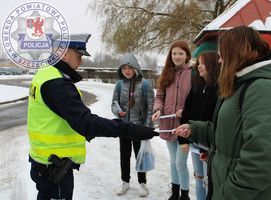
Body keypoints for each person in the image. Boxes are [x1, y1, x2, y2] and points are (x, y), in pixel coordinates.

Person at [175, 26, 271, 200]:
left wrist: (228, 194)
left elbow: (260, 159)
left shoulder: (264, 89)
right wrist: (196, 130)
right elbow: (232, 136)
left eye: (222, 55)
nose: (219, 61)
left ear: (237, 53)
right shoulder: (242, 85)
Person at [27, 34, 158, 200]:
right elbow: (86, 122)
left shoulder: (46, 73)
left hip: (44, 160)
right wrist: (130, 129)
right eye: (78, 55)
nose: (81, 61)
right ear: (64, 53)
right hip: (53, 165)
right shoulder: (57, 83)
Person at [178, 41, 220, 200]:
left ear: (213, 65)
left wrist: (207, 146)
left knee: (210, 180)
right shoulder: (197, 85)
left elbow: (214, 118)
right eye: (199, 64)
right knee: (199, 177)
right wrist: (183, 138)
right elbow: (187, 112)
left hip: (208, 145)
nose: (199, 67)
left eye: (203, 64)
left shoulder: (219, 88)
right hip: (194, 139)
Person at [152, 40, 192, 200]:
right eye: (174, 53)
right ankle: (175, 193)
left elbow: (195, 97)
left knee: (180, 162)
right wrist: (158, 109)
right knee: (173, 161)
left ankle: (185, 195)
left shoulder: (192, 73)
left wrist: (186, 111)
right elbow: (160, 96)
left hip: (184, 126)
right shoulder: (166, 72)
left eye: (180, 53)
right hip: (167, 124)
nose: (177, 56)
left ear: (187, 55)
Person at [111, 53, 154, 197]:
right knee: (124, 156)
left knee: (139, 156)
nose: (127, 71)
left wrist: (147, 127)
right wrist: (118, 112)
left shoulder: (146, 84)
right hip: (123, 127)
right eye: (124, 68)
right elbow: (113, 104)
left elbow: (150, 107)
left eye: (129, 68)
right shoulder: (119, 84)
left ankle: (143, 184)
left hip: (139, 127)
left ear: (135, 67)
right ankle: (125, 182)